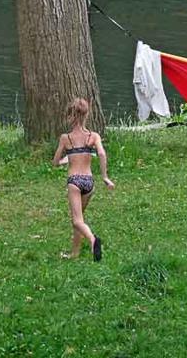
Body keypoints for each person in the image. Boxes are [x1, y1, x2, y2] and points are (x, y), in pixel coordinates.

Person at [51, 98, 114, 261]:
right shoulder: (93, 136)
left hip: (74, 182)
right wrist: (105, 177)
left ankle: (93, 240)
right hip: (89, 182)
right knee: (80, 219)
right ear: (87, 115)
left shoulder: (66, 138)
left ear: (69, 116)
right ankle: (75, 253)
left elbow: (55, 162)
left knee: (77, 220)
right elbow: (101, 153)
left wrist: (66, 158)